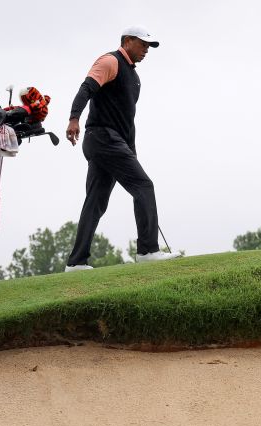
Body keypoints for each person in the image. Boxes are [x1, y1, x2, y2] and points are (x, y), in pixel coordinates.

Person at [64, 26, 178, 272]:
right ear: (127, 41)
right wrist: (74, 118)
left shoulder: (134, 76)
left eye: (149, 46)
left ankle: (76, 262)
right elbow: (86, 89)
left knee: (95, 201)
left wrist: (131, 151)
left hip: (111, 141)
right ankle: (148, 250)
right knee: (144, 186)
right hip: (103, 138)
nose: (146, 50)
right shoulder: (110, 61)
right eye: (143, 44)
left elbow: (126, 120)